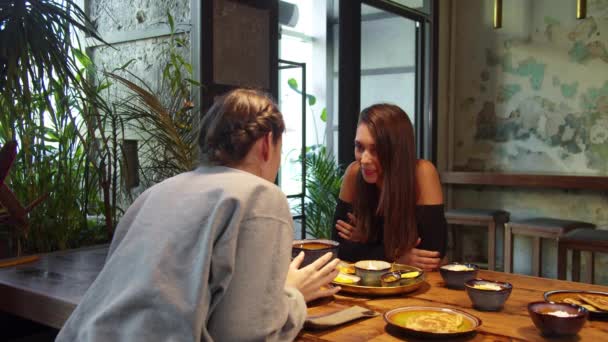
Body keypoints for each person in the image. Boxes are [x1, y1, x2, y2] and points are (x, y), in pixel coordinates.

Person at [57, 88, 341, 342]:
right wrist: (292, 294)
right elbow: (248, 335)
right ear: (268, 143)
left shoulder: (154, 194)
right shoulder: (261, 195)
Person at [331, 103, 447, 271]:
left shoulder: (422, 173)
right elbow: (338, 249)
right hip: (364, 282)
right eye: (359, 147)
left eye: (375, 150)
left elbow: (431, 255)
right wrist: (395, 255)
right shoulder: (354, 172)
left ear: (397, 150)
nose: (364, 159)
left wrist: (366, 243)